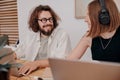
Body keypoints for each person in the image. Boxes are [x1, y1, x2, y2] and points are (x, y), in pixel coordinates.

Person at [15, 5, 71, 75]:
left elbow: (60, 61)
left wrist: (36, 63)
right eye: (44, 20)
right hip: (32, 74)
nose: (48, 23)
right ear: (36, 22)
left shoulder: (62, 35)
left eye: (50, 19)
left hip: (53, 74)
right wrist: (12, 55)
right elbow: (20, 50)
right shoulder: (31, 36)